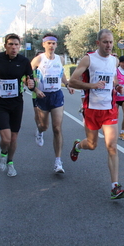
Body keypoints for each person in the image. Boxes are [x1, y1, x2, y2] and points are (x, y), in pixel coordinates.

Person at [68, 29, 124, 200]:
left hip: (109, 109)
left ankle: (115, 187)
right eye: (105, 42)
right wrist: (91, 85)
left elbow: (113, 80)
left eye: (111, 42)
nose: (109, 45)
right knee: (92, 144)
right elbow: (72, 81)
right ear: (98, 43)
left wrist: (117, 87)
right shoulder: (89, 59)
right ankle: (78, 146)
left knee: (112, 146)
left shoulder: (114, 60)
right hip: (92, 109)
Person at [0, 33, 35, 177]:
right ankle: (3, 153)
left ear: (19, 46)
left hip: (17, 103)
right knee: (6, 139)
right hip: (0, 103)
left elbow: (30, 79)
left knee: (14, 138)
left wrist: (31, 84)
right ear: (5, 46)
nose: (14, 47)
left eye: (16, 45)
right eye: (10, 44)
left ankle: (10, 163)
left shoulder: (24, 61)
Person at [30, 33, 74, 173]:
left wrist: (67, 84)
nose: (51, 45)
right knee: (44, 126)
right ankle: (40, 131)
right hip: (43, 96)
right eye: (48, 43)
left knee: (57, 128)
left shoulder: (60, 58)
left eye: (53, 43)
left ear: (56, 45)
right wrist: (35, 89)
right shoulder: (38, 59)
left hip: (56, 95)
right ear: (44, 44)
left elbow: (61, 74)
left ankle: (58, 162)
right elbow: (27, 76)